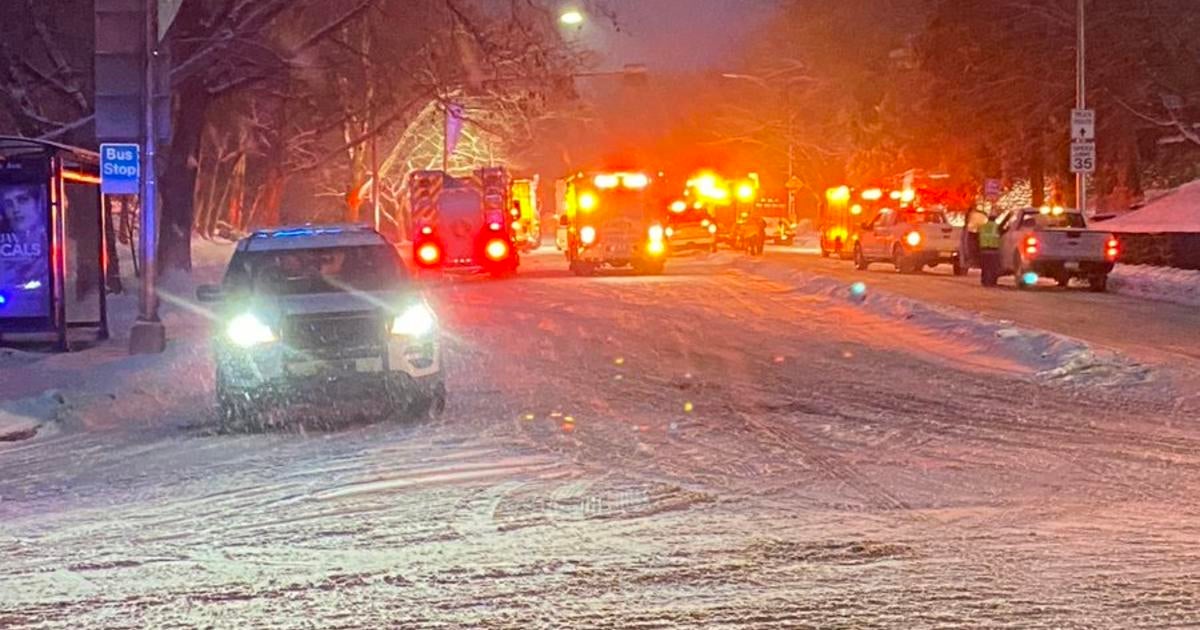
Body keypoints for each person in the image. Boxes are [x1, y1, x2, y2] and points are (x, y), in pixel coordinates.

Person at [978, 211, 1003, 287]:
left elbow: (978, 237)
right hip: (993, 251)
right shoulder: (997, 227)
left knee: (985, 267)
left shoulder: (982, 226)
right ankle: (992, 282)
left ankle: (984, 281)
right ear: (995, 219)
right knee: (993, 268)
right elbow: (1001, 235)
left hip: (984, 250)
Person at [962, 204, 988, 269]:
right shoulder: (983, 215)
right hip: (980, 232)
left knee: (970, 246)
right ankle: (975, 260)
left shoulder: (971, 214)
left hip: (972, 232)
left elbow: (967, 222)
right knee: (976, 246)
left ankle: (972, 260)